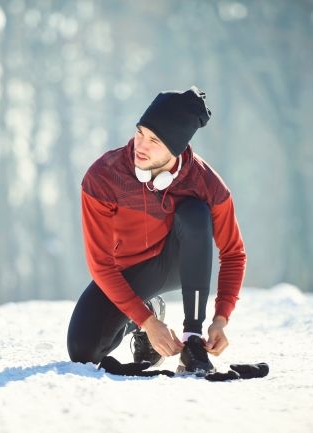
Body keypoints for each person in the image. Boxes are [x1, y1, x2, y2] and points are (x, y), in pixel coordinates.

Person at [67, 86, 247, 376]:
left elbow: (233, 254)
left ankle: (193, 341)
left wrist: (221, 318)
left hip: (175, 262)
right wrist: (148, 322)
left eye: (154, 140)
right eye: (140, 133)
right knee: (82, 351)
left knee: (195, 213)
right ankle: (147, 311)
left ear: (175, 148)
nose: (140, 145)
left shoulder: (207, 184)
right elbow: (101, 264)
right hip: (124, 273)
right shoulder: (103, 177)